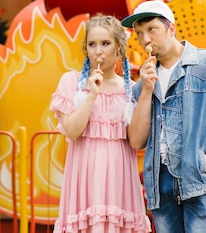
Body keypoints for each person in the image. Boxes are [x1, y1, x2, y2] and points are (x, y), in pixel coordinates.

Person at [121, 0, 206, 233]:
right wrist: (146, 90)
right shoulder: (144, 82)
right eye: (140, 33)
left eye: (151, 29)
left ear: (170, 28)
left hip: (201, 180)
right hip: (160, 187)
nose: (145, 40)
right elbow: (137, 141)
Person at [50, 14, 152, 233]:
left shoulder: (131, 90)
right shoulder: (71, 83)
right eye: (92, 44)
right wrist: (91, 96)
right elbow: (73, 131)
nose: (98, 51)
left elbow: (136, 141)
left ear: (119, 48)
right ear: (86, 49)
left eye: (105, 43)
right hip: (83, 182)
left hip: (119, 182)